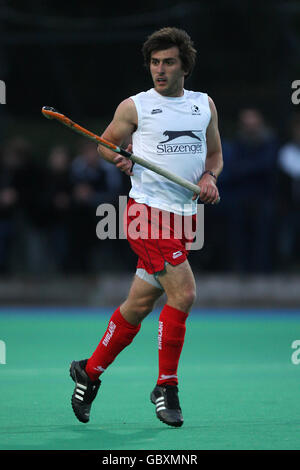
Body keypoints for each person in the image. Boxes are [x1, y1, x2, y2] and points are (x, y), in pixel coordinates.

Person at [69, 27, 223, 427]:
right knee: (184, 293)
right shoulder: (136, 106)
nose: (160, 70)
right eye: (154, 63)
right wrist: (118, 158)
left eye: (168, 62)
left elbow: (216, 154)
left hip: (185, 218)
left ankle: (90, 371)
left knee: (138, 306)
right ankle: (166, 387)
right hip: (145, 215)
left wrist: (209, 177)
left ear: (184, 65)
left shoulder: (203, 105)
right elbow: (106, 144)